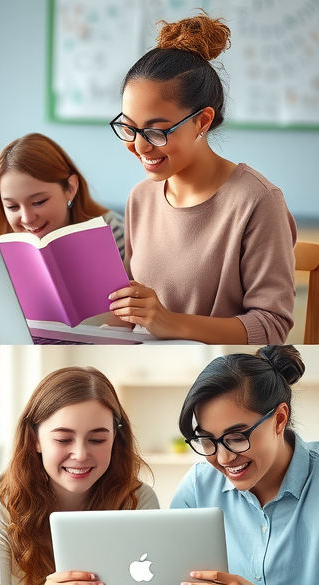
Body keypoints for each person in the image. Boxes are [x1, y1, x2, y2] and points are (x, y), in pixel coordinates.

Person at [107, 14, 296, 344]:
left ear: (202, 121)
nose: (138, 146)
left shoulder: (258, 201)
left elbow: (272, 326)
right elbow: (130, 310)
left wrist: (171, 323)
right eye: (129, 127)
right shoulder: (141, 197)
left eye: (156, 130)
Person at [0, 367, 158, 585]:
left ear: (116, 439)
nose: (81, 454)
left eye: (98, 439)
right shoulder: (1, 503)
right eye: (63, 439)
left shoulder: (137, 501)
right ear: (35, 440)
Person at [173, 345, 318, 585]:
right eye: (207, 441)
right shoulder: (199, 486)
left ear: (279, 419)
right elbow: (170, 583)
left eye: (237, 438)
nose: (223, 459)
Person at [0, 133, 124, 252]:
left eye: (38, 202)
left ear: (70, 188)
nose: (27, 218)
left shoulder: (114, 232)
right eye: (12, 206)